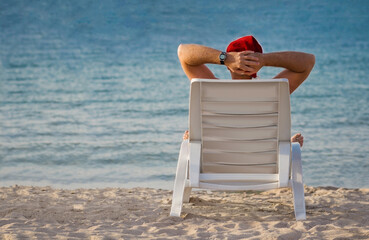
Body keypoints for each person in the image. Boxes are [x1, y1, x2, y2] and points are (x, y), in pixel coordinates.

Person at [178, 36, 315, 147]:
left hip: (213, 173)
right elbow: (308, 61)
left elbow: (183, 52)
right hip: (263, 173)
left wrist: (225, 58)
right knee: (287, 145)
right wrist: (265, 59)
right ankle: (287, 147)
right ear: (258, 67)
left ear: (228, 67)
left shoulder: (210, 89)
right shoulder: (272, 93)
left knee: (193, 140)